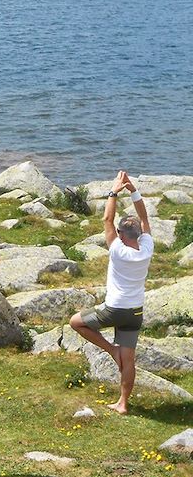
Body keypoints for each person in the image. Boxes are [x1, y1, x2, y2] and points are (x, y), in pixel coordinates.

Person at [70, 170, 153, 415]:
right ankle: (123, 404)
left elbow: (107, 219)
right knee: (129, 360)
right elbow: (145, 218)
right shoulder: (146, 247)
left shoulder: (117, 250)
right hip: (135, 311)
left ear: (120, 235)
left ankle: (111, 350)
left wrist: (114, 191)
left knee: (76, 323)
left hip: (114, 309)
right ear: (138, 235)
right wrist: (133, 190)